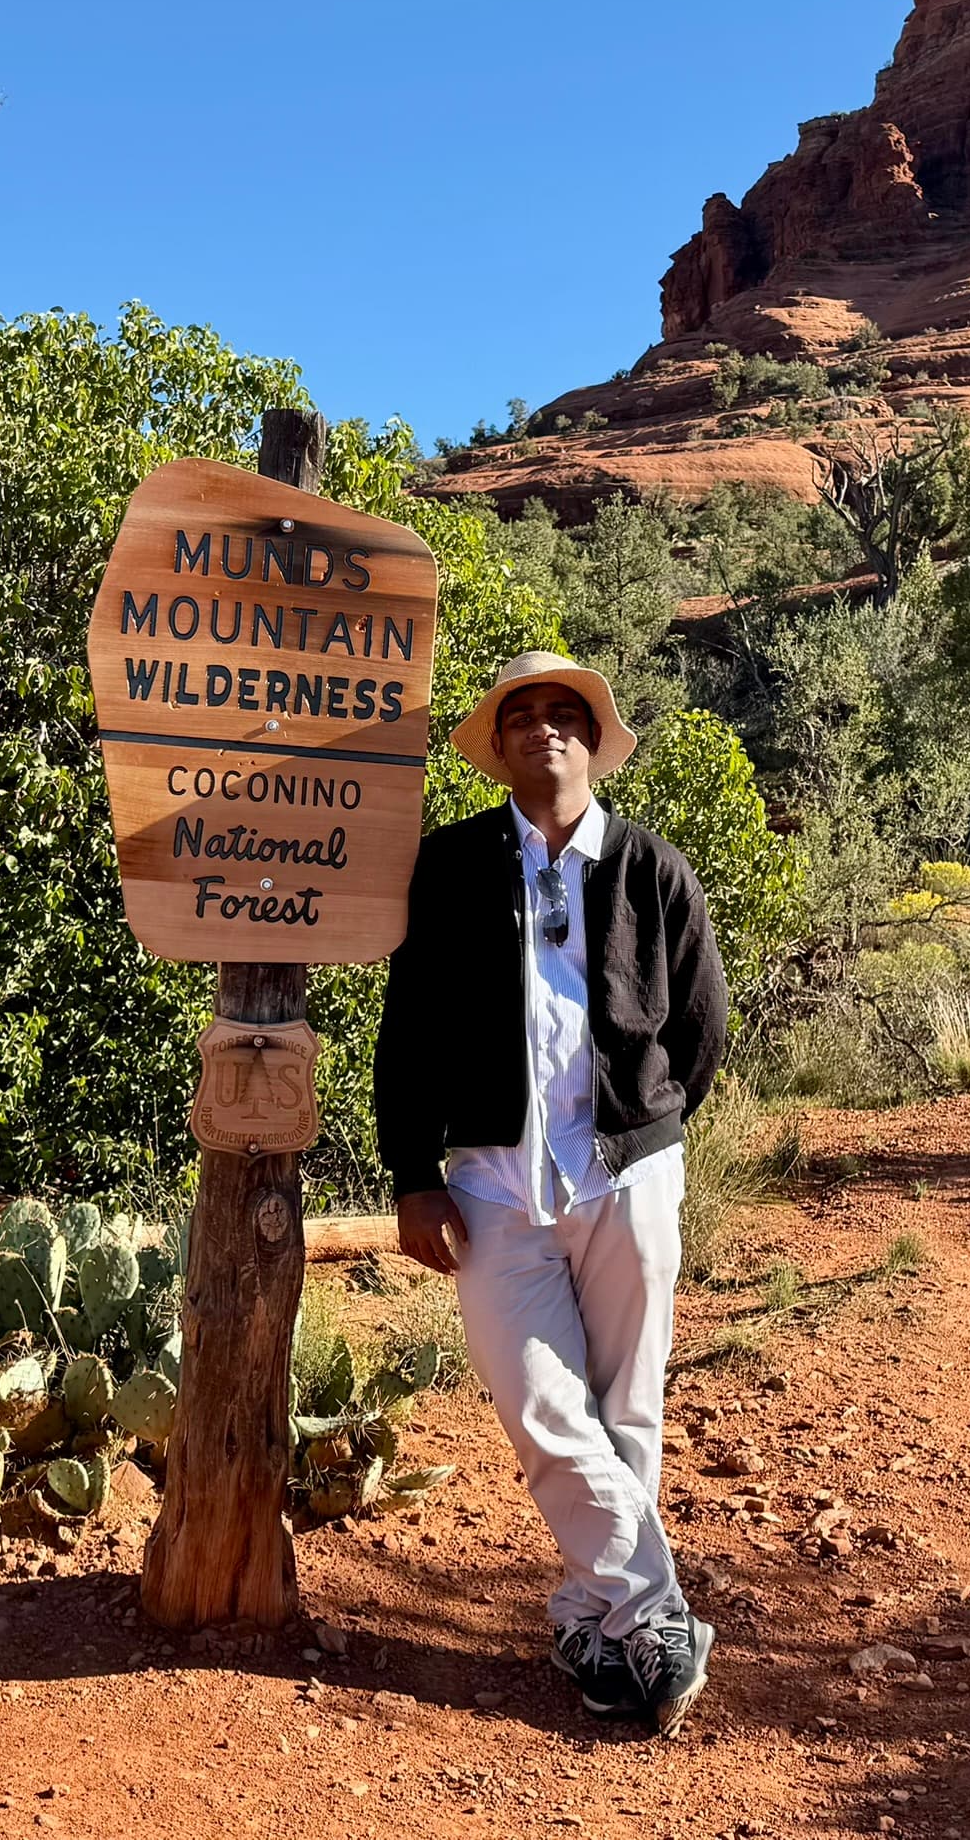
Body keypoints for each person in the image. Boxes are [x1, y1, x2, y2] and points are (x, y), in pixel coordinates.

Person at [373, 650, 728, 1738]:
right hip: (489, 1181)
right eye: (519, 715)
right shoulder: (449, 865)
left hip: (625, 1171)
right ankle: (657, 1612)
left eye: (562, 712)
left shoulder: (652, 868)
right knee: (539, 1405)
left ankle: (593, 1618)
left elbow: (701, 1027)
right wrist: (412, 1171)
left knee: (627, 1406)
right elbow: (411, 1027)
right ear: (500, 745)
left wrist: (650, 1138)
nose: (541, 729)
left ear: (592, 736)